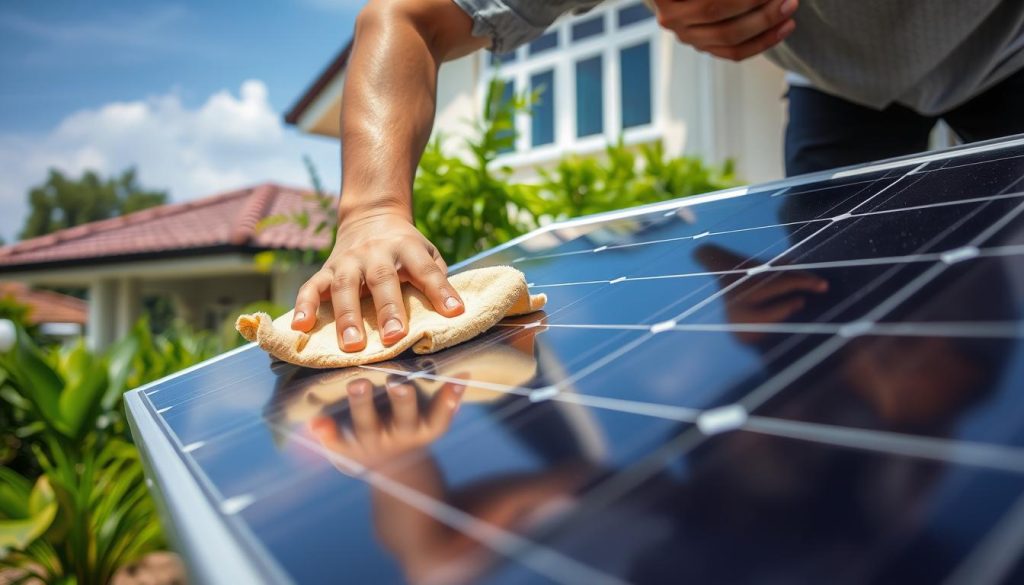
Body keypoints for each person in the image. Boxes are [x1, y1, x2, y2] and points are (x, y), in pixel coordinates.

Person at [290, 0, 1024, 352]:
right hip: (838, 91)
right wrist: (374, 210)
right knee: (826, 317)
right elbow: (403, 20)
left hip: (1006, 41)